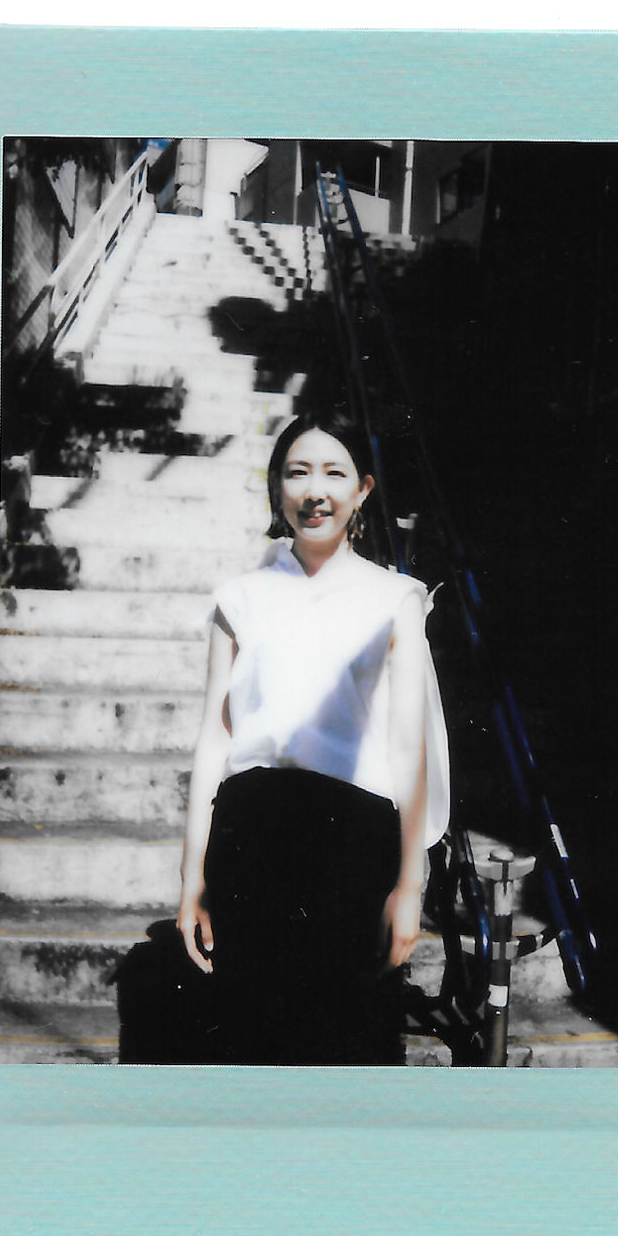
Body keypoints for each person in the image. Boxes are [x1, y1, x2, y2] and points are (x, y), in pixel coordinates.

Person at [176, 409, 449, 1065]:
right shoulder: (239, 599)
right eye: (298, 472)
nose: (315, 490)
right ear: (278, 487)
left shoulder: (396, 599)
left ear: (363, 490)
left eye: (334, 473)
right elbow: (214, 739)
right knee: (250, 1041)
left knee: (347, 1041)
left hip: (354, 844)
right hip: (250, 838)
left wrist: (410, 886)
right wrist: (192, 877)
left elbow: (407, 749)